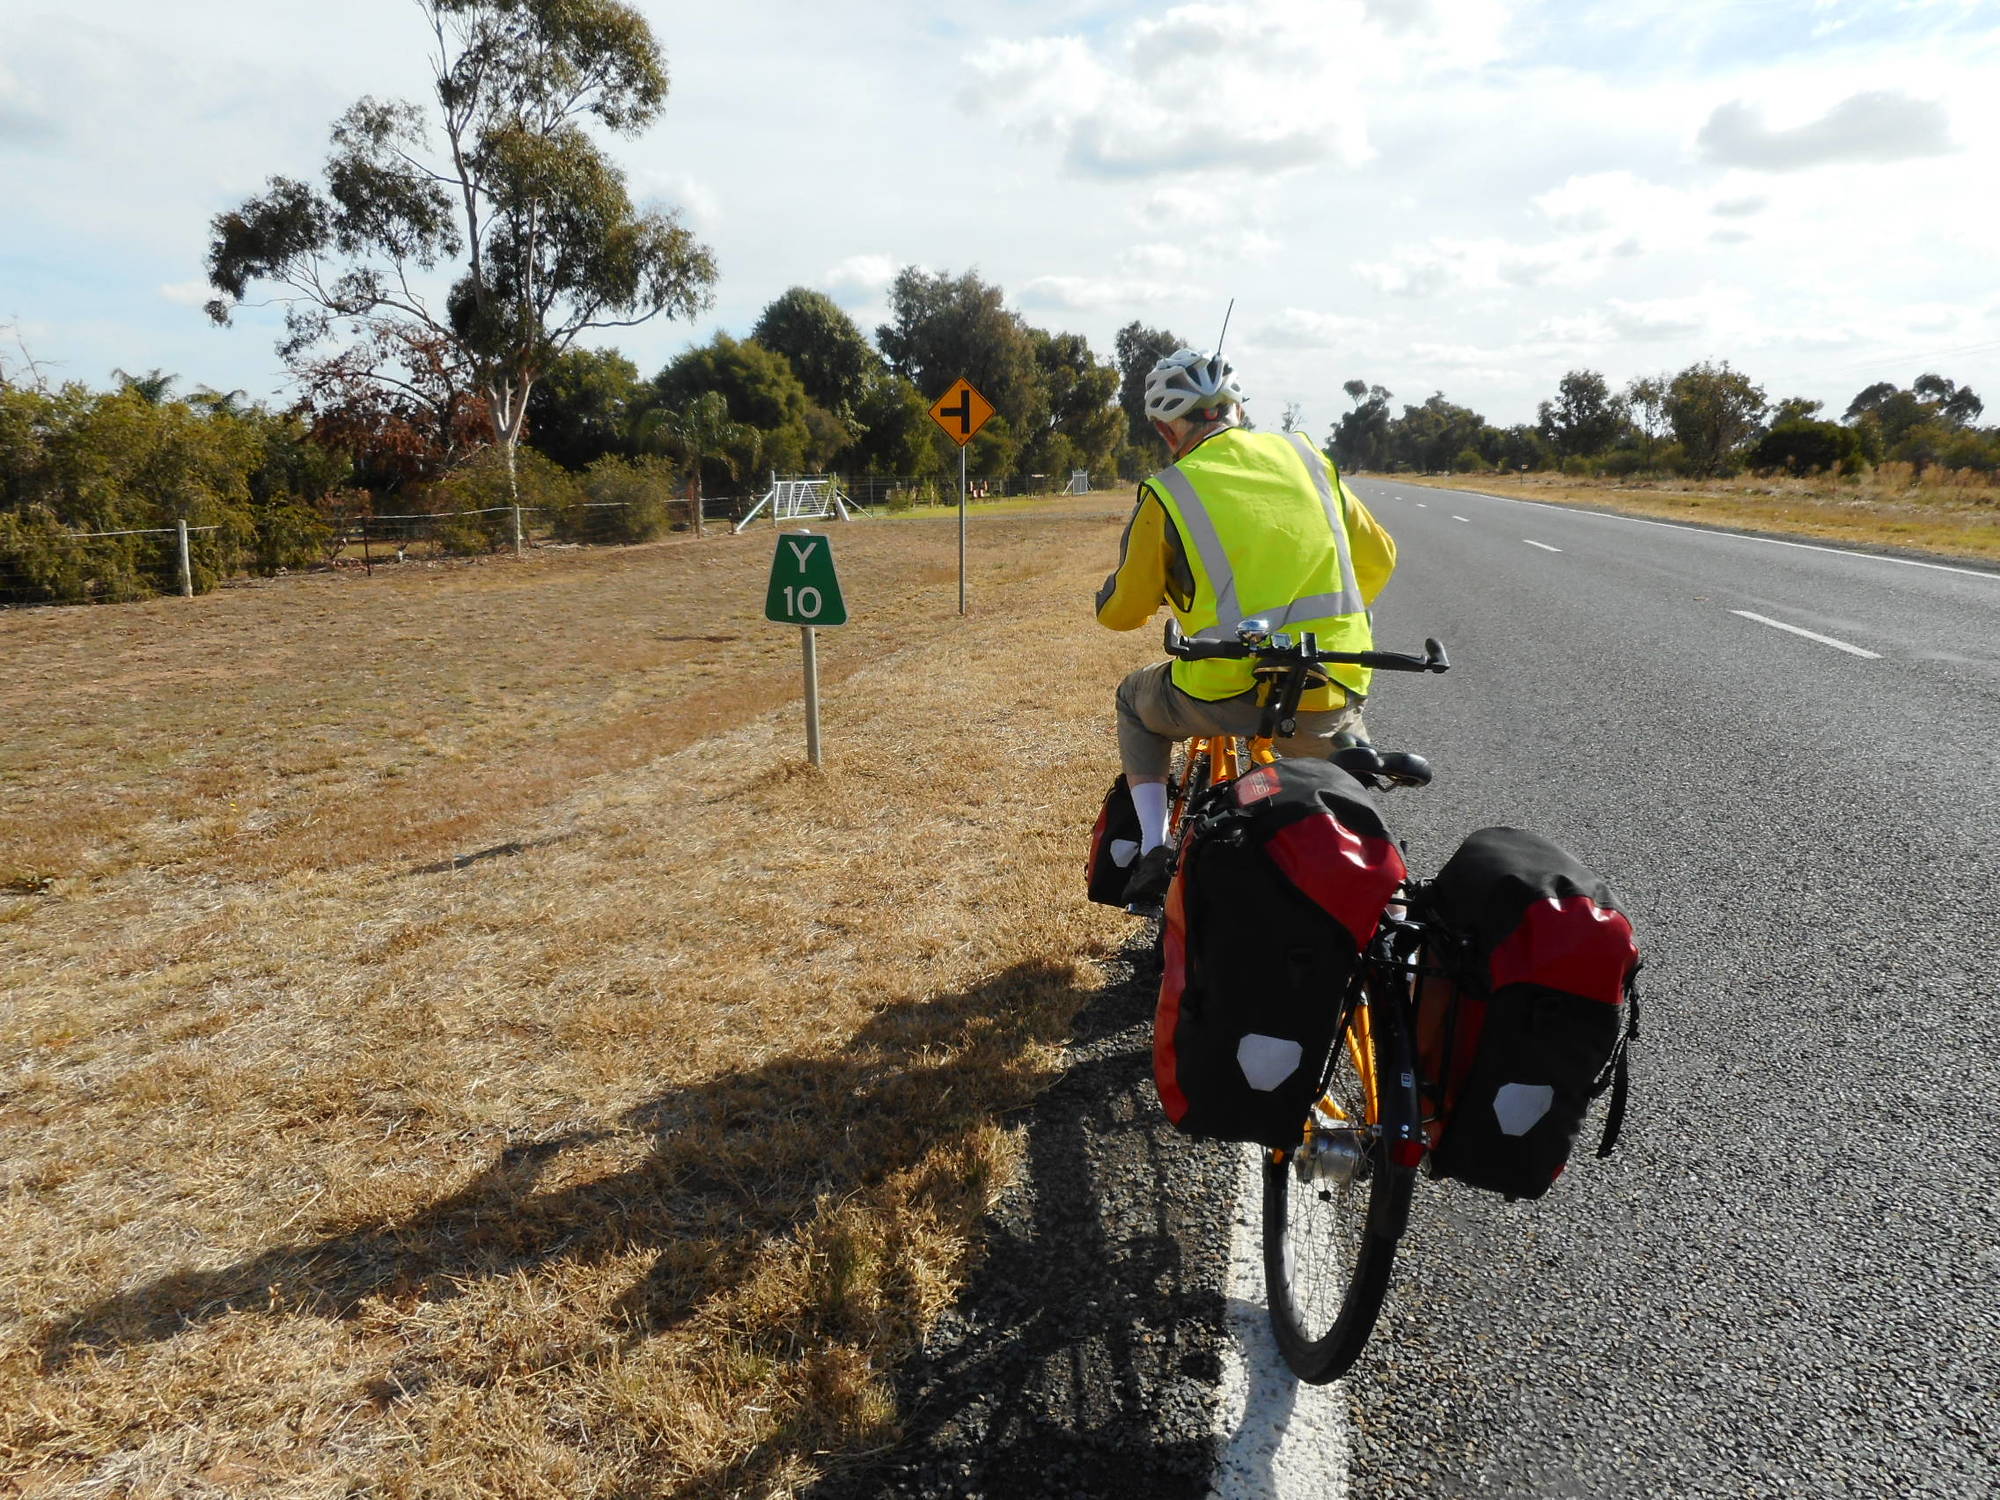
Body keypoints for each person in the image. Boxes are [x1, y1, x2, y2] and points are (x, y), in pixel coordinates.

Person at [1095, 348, 1398, 909]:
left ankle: (1154, 848)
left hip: (1220, 689)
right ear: (1235, 407)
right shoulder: (1308, 457)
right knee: (1347, 785)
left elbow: (1122, 611)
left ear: (1166, 428)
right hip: (1326, 682)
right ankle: (1385, 901)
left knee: (1135, 702)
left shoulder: (1171, 488)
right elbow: (1379, 558)